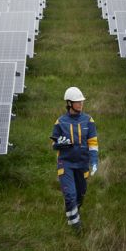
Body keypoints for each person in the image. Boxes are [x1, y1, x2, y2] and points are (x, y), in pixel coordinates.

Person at [50, 86, 99, 232]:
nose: (81, 104)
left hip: (82, 164)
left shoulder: (89, 120)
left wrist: (94, 160)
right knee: (70, 194)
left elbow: (93, 143)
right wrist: (60, 143)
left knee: (80, 194)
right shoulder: (60, 122)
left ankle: (73, 211)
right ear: (69, 103)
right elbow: (54, 144)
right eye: (78, 102)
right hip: (65, 164)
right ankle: (76, 227)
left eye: (82, 101)